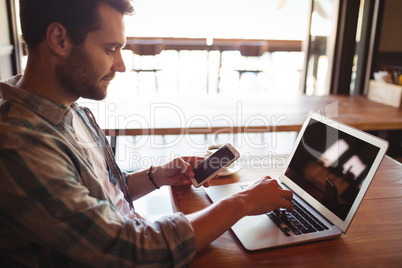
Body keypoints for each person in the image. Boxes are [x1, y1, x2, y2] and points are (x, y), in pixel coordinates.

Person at [0, 0, 293, 267]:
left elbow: (103, 193)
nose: (121, 65)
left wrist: (156, 176)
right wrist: (243, 202)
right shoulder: (19, 145)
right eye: (109, 49)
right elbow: (132, 251)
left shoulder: (70, 109)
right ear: (59, 40)